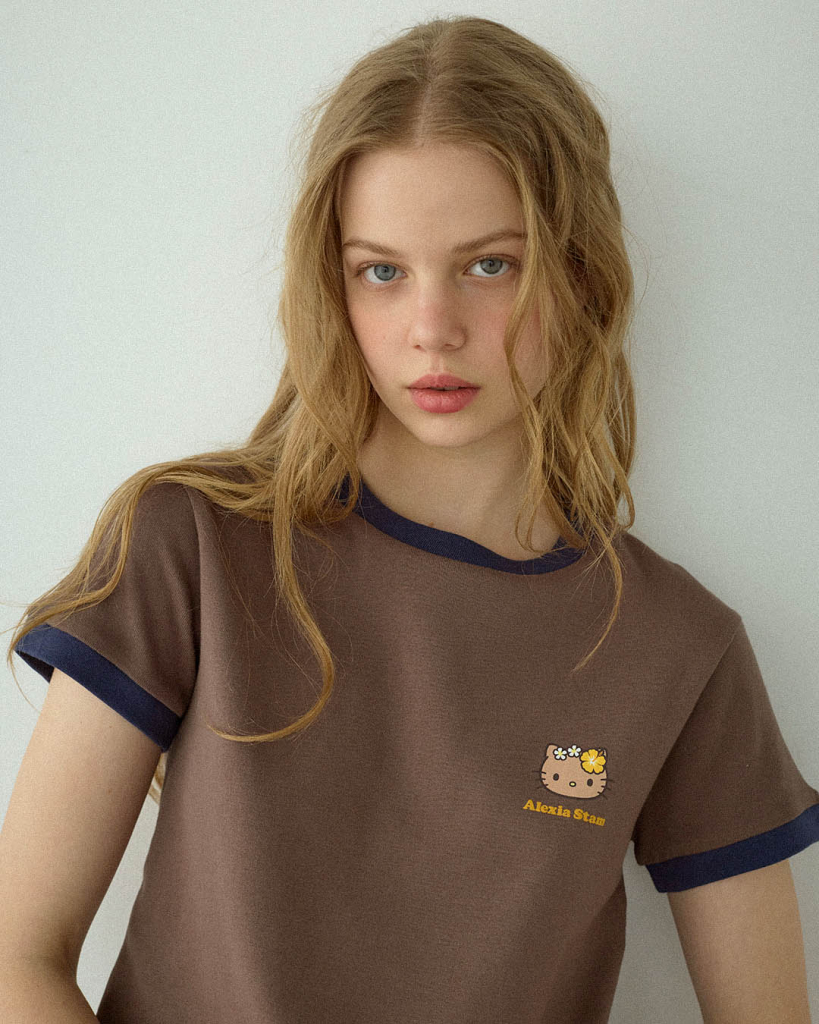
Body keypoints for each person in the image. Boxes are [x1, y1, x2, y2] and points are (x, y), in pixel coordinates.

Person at [2, 14, 816, 1024]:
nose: (432, 329)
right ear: (332, 286)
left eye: (490, 265)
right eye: (381, 271)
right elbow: (16, 957)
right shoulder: (192, 547)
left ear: (581, 273)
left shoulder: (676, 649)